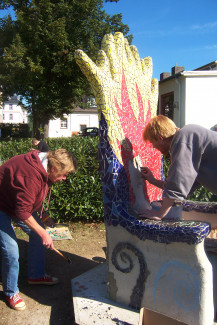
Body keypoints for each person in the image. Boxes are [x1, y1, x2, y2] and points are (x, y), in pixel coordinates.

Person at [0, 149, 77, 311]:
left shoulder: (45, 169)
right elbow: (22, 211)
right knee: (11, 250)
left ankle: (35, 275)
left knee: (38, 230)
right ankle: (10, 292)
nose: (64, 178)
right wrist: (43, 233)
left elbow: (33, 196)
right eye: (64, 174)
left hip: (14, 202)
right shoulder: (31, 175)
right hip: (2, 205)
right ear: (55, 169)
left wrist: (43, 217)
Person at [140, 115, 217, 221]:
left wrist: (160, 214)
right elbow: (182, 187)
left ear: (160, 138)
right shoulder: (189, 139)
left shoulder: (184, 137)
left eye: (152, 142)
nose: (153, 146)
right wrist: (152, 180)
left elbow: (178, 181)